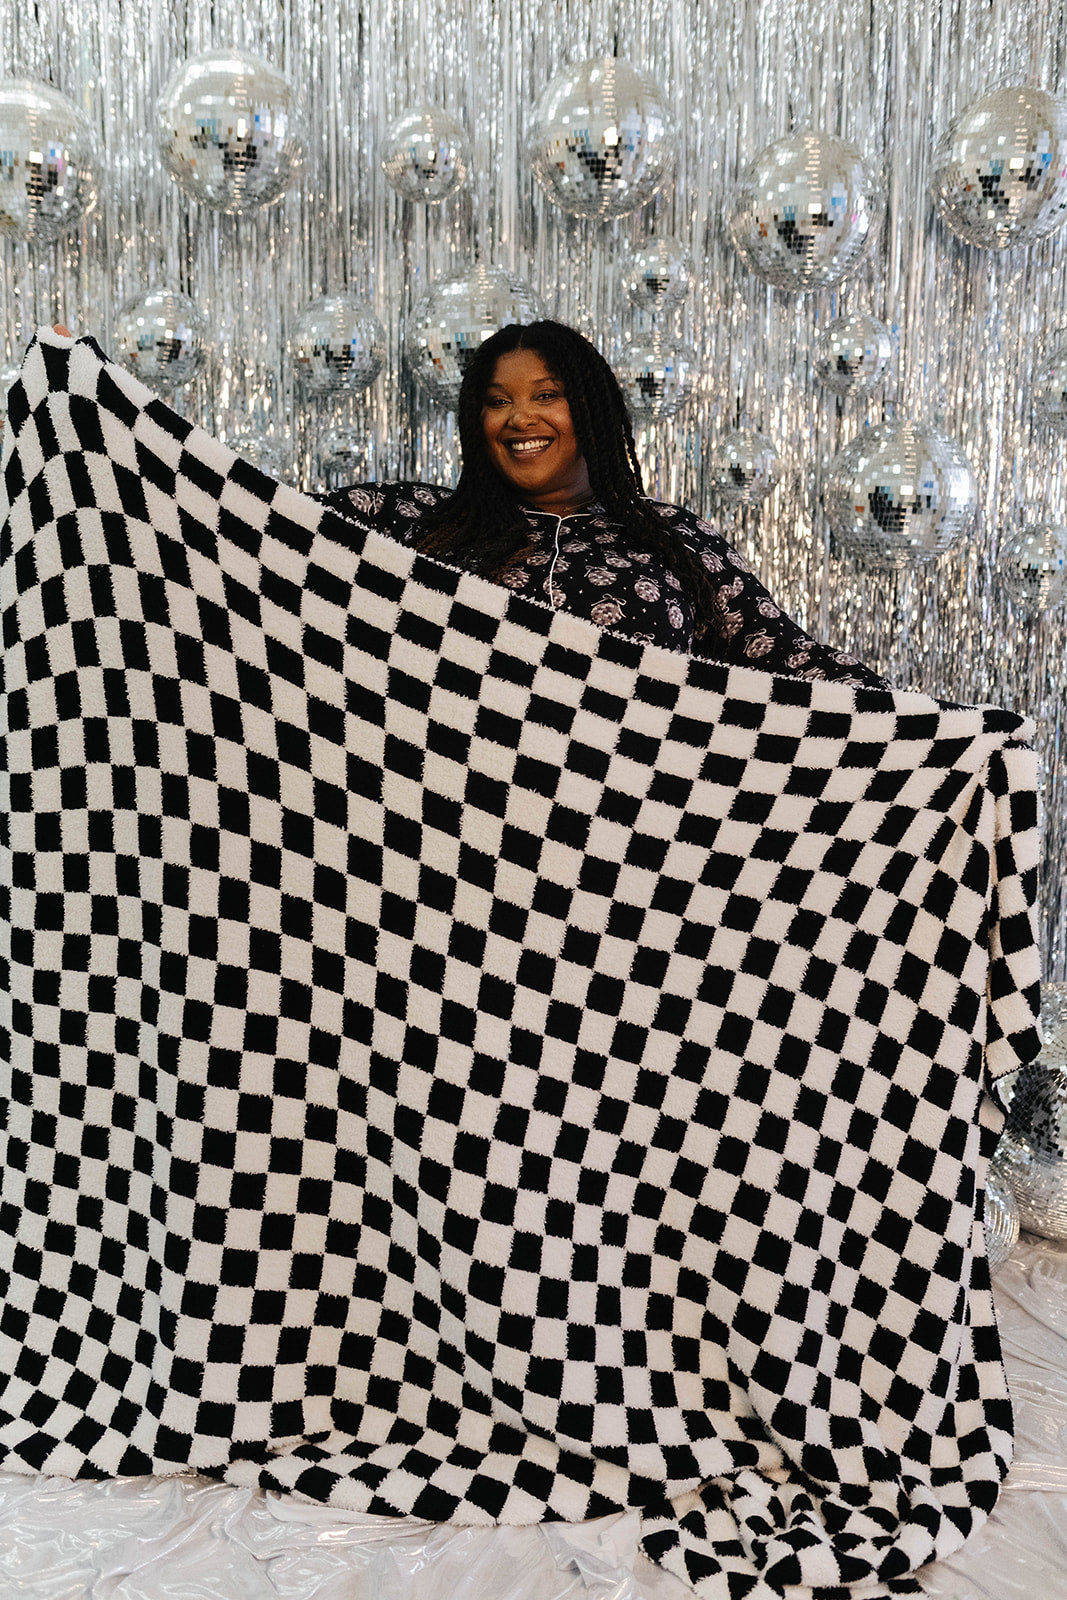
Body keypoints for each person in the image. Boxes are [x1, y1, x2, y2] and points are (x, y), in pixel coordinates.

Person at [316, 319, 887, 687]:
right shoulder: (411, 518)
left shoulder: (672, 541)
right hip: (443, 831)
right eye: (497, 402)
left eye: (547, 395)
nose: (519, 418)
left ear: (591, 410)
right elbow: (264, 525)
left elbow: (787, 659)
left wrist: (944, 731)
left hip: (620, 844)